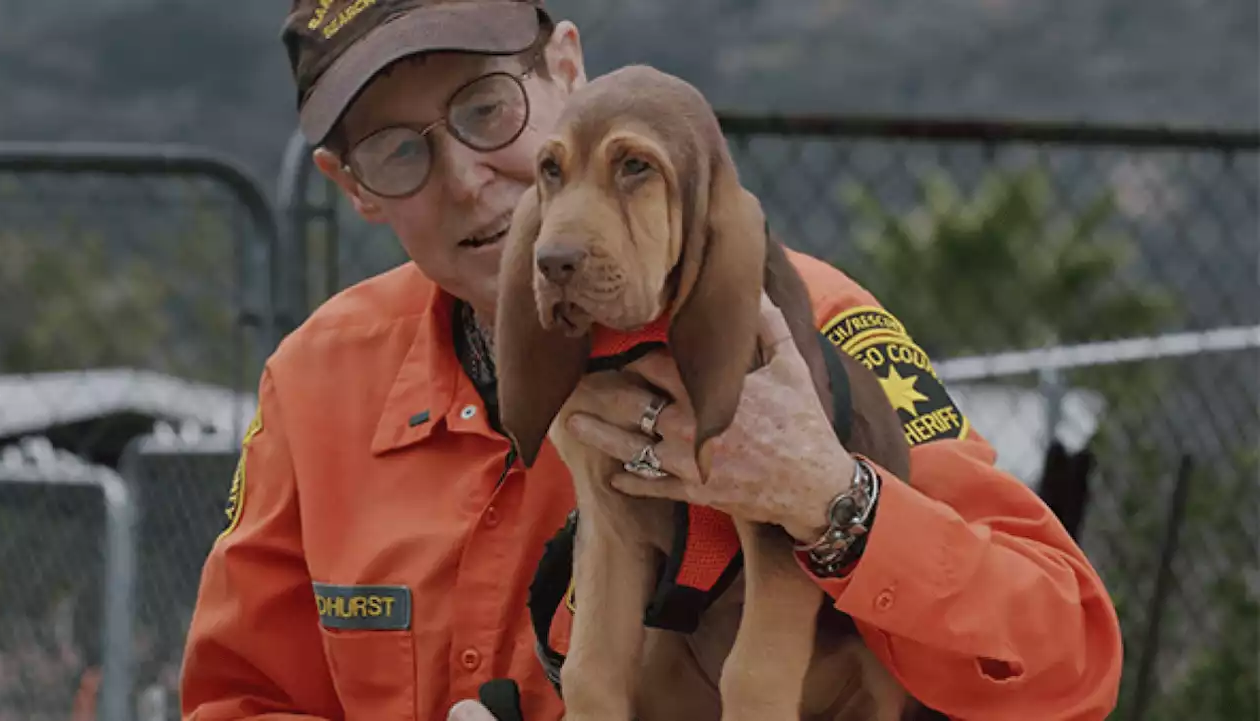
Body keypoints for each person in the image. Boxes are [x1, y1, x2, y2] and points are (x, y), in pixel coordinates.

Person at [179, 0, 1125, 719]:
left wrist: (836, 502)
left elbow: (1066, 666)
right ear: (352, 189)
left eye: (486, 107)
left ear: (566, 69)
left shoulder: (804, 332)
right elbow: (236, 698)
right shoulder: (315, 384)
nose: (468, 178)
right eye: (395, 152)